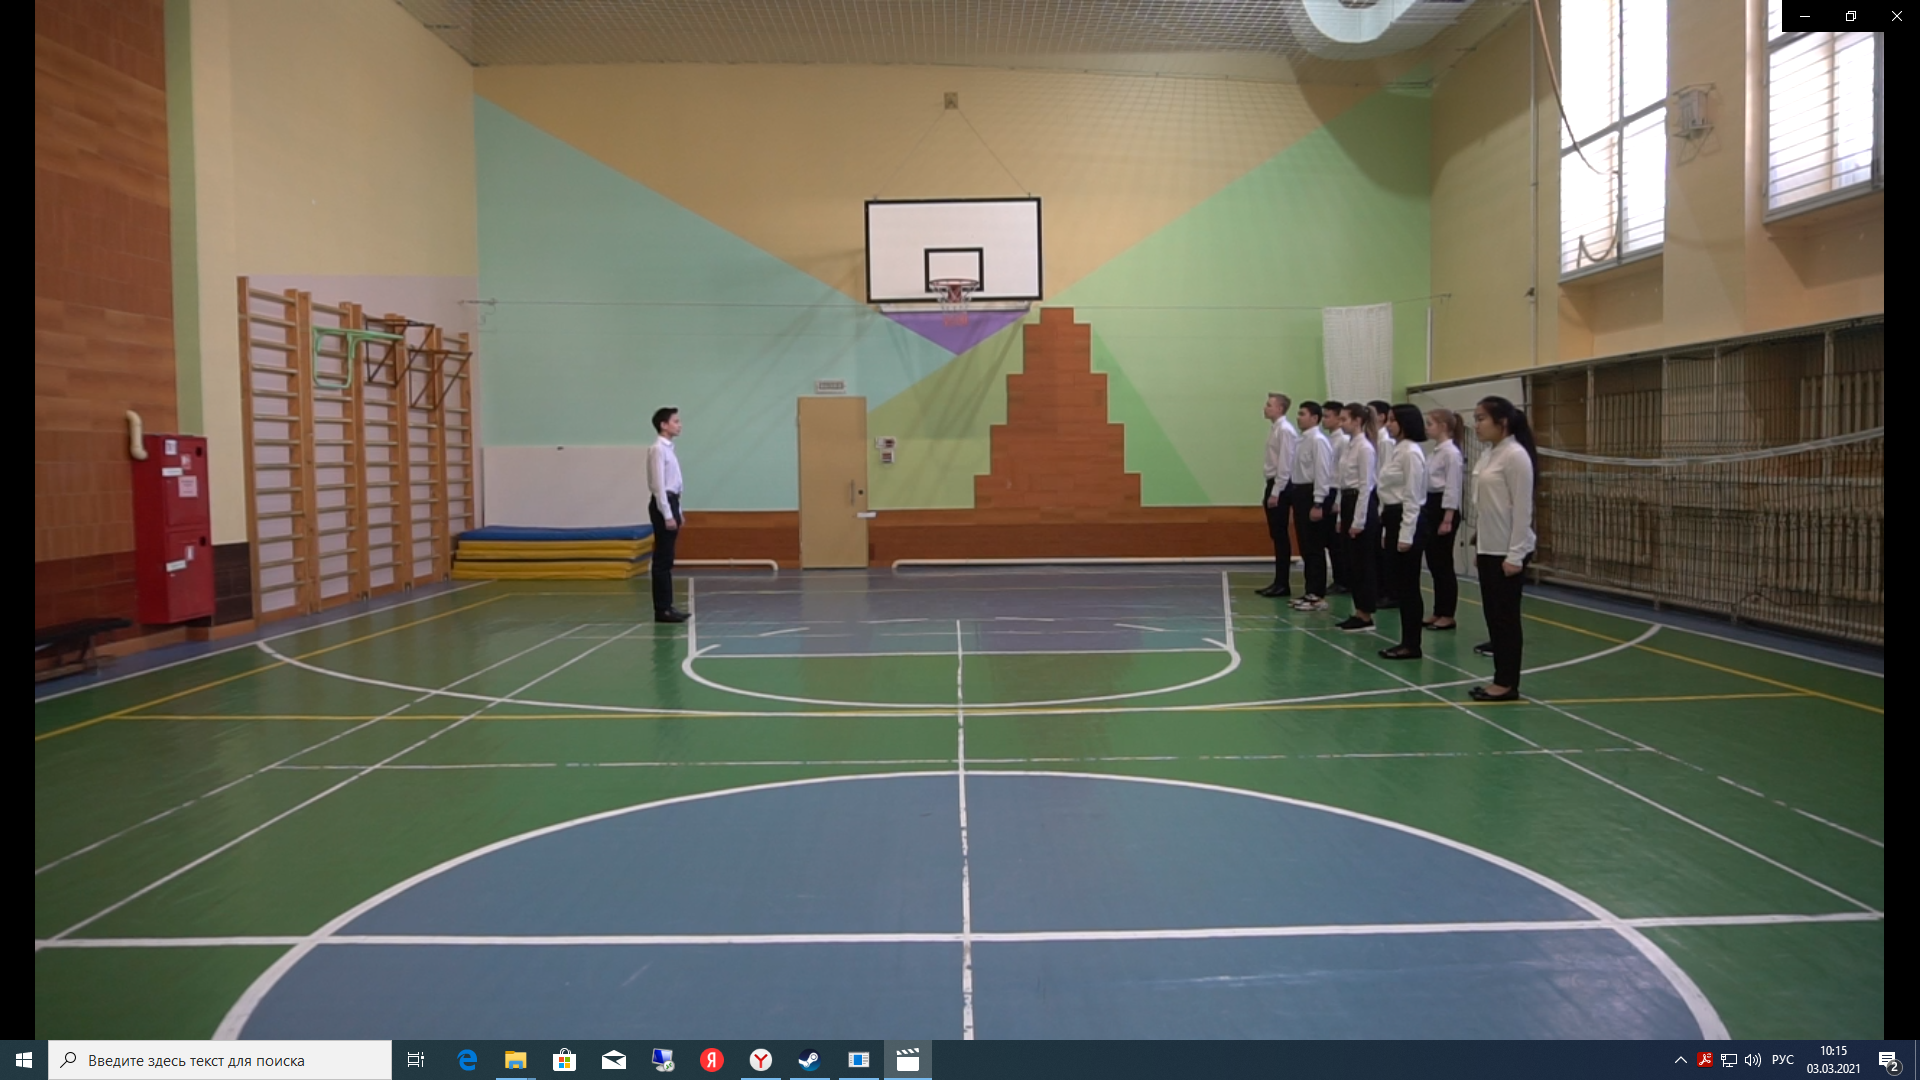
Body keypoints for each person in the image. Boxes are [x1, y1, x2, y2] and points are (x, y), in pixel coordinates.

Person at [1468, 396, 1537, 701]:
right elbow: (1486, 506)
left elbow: (1522, 510)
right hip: (1489, 547)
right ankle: (1499, 677)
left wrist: (1515, 555)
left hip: (1508, 551)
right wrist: (1480, 545)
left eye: (1481, 418)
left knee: (1506, 619)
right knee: (1493, 617)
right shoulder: (1489, 455)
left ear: (1503, 422)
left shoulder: (1515, 456)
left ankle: (1507, 683)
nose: (1476, 425)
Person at [1375, 405, 1429, 659]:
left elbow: (1412, 496)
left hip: (1407, 519)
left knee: (1409, 586)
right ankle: (1406, 640)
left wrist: (1406, 535)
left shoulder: (1411, 453)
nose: (1388, 425)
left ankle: (1412, 643)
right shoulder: (1398, 450)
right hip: (1393, 517)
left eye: (1393, 420)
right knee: (1399, 583)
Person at [1333, 403, 1381, 632]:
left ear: (1358, 421)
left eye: (1344, 419)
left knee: (1363, 562)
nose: (1341, 423)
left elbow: (1365, 486)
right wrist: (1341, 516)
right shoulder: (1349, 446)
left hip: (1360, 504)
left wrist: (1358, 520)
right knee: (1352, 561)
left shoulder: (1365, 448)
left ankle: (1366, 613)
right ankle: (1358, 610)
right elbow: (1343, 481)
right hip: (1348, 501)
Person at [1288, 401, 1337, 612]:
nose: (1298, 417)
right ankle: (1310, 591)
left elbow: (1322, 472)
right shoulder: (1301, 440)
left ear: (1314, 418)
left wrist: (1318, 502)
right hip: (1300, 492)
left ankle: (1317, 594)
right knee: (1306, 546)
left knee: (1315, 545)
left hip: (1312, 494)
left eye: (1302, 414)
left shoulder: (1318, 441)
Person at [1422, 409, 1466, 631]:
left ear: (1443, 427)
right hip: (1431, 505)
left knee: (1443, 563)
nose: (1426, 427)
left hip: (1443, 508)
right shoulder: (1435, 453)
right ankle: (1438, 610)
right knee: (1434, 562)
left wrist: (1448, 517)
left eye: (1430, 423)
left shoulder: (1451, 453)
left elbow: (1452, 486)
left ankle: (1448, 613)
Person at [647, 406, 689, 623]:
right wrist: (667, 514)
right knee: (662, 560)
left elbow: (675, 485)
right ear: (663, 425)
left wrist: (677, 511)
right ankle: (662, 609)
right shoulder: (657, 449)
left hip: (672, 502)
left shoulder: (669, 449)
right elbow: (659, 486)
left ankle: (668, 605)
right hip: (663, 504)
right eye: (675, 421)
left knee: (668, 558)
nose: (679, 425)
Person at [1257, 393, 1297, 598]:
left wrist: (1276, 491)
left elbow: (1285, 463)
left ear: (1280, 408)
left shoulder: (1285, 430)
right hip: (1274, 483)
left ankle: (1283, 583)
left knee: (1280, 535)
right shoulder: (1275, 429)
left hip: (1280, 485)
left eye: (1269, 405)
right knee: (1276, 534)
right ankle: (1279, 581)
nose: (1265, 408)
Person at [1368, 399, 1398, 607]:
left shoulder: (1385, 441)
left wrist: (1380, 504)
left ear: (1381, 416)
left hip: (1383, 495)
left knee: (1384, 548)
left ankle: (1389, 591)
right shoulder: (1373, 439)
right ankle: (1379, 590)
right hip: (1376, 493)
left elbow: (1384, 472)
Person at [1321, 400, 1351, 593]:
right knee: (1329, 539)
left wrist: (1338, 500)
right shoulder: (1329, 439)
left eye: (1327, 416)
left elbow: (1342, 474)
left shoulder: (1343, 441)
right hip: (1328, 490)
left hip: (1336, 491)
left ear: (1339, 419)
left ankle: (1343, 580)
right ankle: (1339, 578)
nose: (1324, 420)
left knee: (1336, 541)